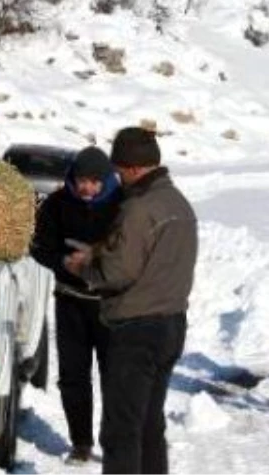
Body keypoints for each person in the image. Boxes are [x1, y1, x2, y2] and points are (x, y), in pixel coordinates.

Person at [64, 127, 198, 475]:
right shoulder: (179, 203)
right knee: (149, 425)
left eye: (119, 170)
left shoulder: (139, 208)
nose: (117, 178)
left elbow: (119, 272)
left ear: (135, 168)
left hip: (138, 329)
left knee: (121, 430)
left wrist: (85, 266)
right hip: (171, 322)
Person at [29, 146, 122, 464]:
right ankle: (81, 443)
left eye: (95, 182)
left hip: (111, 306)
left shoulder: (123, 205)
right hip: (70, 302)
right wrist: (63, 262)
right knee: (73, 376)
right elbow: (39, 247)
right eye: (82, 180)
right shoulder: (57, 204)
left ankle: (115, 443)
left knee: (114, 377)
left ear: (107, 180)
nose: (87, 188)